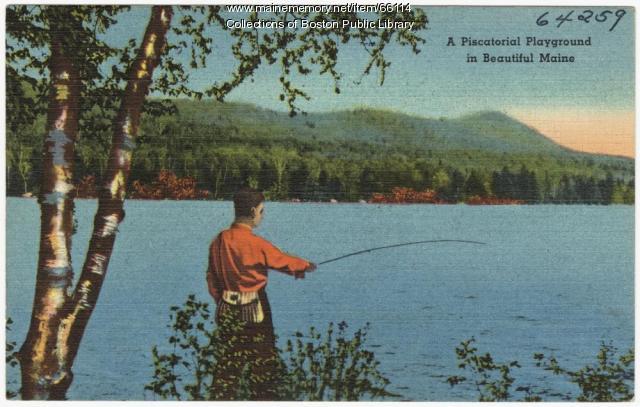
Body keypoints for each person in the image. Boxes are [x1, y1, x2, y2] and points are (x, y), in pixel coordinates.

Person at [206, 187, 316, 399]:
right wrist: (305, 266)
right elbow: (282, 260)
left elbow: (212, 279)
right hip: (255, 309)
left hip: (226, 308)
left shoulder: (218, 241)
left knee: (227, 366)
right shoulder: (256, 243)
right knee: (263, 365)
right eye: (262, 211)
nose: (262, 216)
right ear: (254, 210)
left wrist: (221, 300)